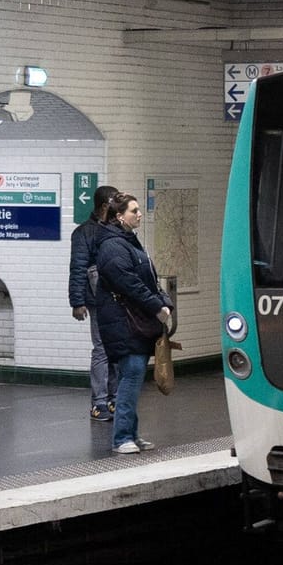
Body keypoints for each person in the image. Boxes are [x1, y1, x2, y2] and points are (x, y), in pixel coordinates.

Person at [92, 193, 171, 455]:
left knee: (131, 376)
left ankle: (132, 435)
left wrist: (164, 301)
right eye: (133, 210)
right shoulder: (113, 246)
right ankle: (122, 437)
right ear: (119, 216)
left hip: (131, 321)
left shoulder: (129, 242)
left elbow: (149, 278)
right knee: (132, 374)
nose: (139, 214)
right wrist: (155, 305)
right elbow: (129, 282)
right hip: (122, 322)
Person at [69, 185, 122, 424]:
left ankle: (114, 397)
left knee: (115, 348)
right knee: (101, 348)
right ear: (104, 205)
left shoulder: (117, 229)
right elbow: (78, 267)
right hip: (97, 299)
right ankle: (99, 401)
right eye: (115, 202)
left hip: (118, 298)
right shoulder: (84, 233)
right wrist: (77, 301)